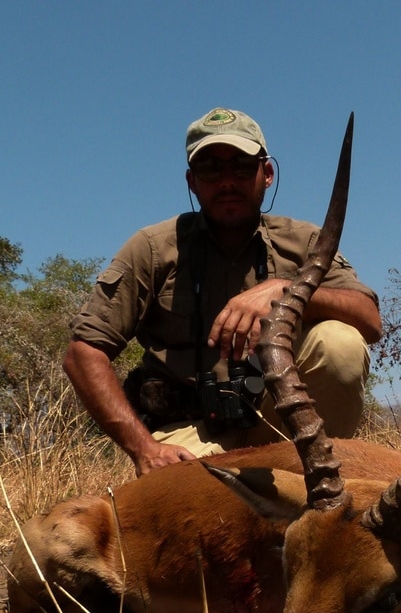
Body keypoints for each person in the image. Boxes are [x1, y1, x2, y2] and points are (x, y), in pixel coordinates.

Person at [64, 108, 382, 476]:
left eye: (242, 167)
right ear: (192, 181)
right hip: (191, 431)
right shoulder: (152, 248)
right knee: (178, 505)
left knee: (340, 342)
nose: (227, 181)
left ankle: (313, 475)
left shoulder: (305, 241)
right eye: (211, 169)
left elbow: (369, 320)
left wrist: (285, 290)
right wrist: (144, 449)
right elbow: (83, 353)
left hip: (278, 422)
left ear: (266, 174)